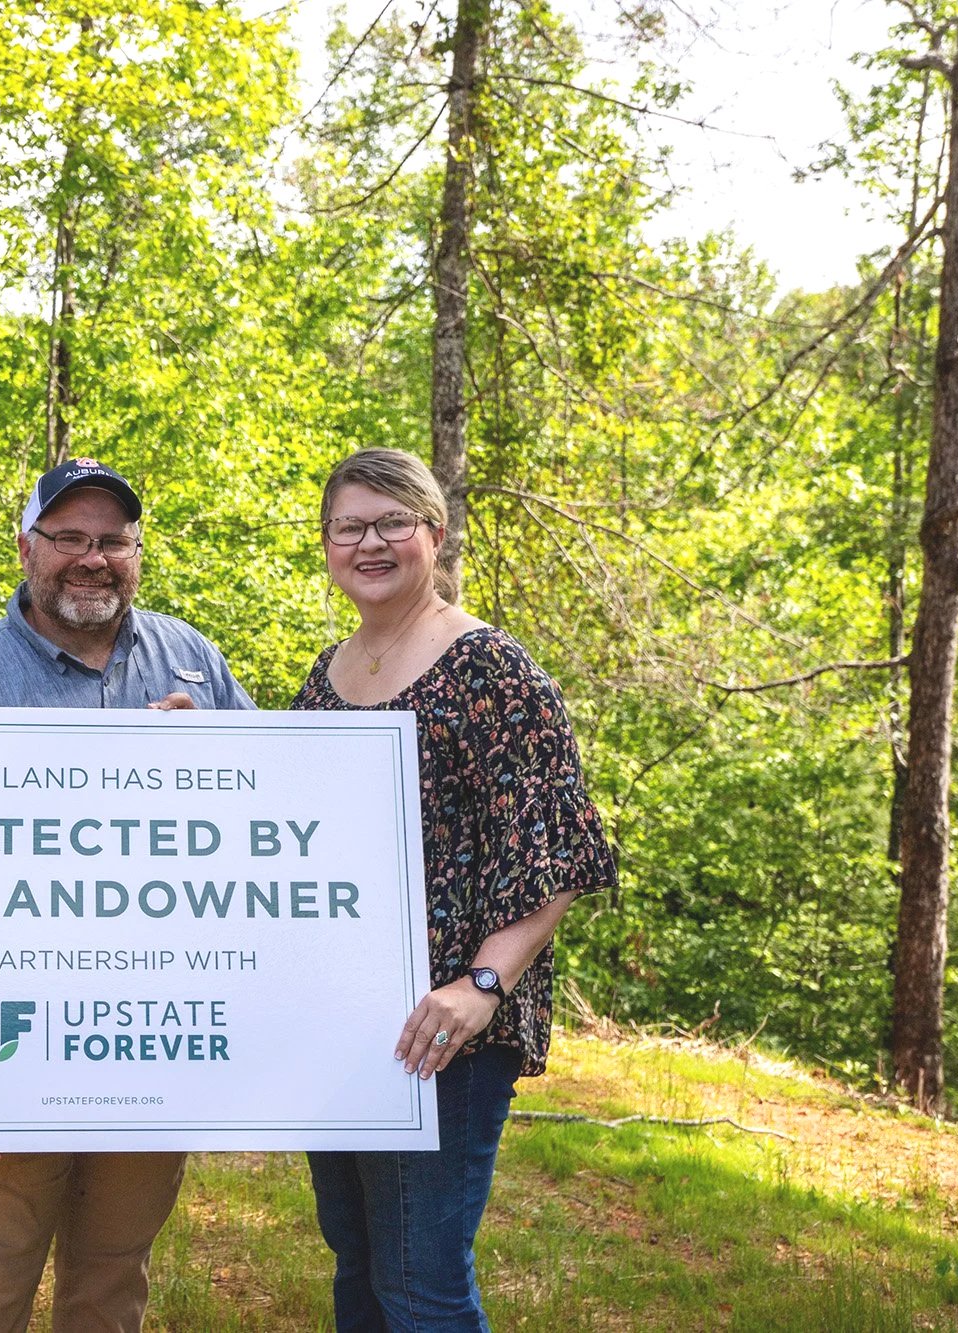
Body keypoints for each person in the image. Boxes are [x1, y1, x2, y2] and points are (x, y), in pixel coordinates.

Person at [0, 457, 255, 1332]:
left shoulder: (194, 663)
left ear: (137, 552)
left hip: (149, 1040)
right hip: (4, 1046)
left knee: (111, 1285)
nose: (91, 558)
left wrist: (217, 765)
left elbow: (270, 817)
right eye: (68, 538)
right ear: (27, 547)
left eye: (113, 540)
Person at [292, 447, 616, 1332]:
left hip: (445, 1032)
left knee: (420, 1275)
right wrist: (206, 749)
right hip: (347, 1021)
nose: (371, 542)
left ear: (434, 532)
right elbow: (292, 816)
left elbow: (557, 852)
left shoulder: (492, 670)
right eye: (349, 526)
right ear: (326, 544)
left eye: (392, 521)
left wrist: (481, 985)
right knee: (358, 1259)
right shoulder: (329, 674)